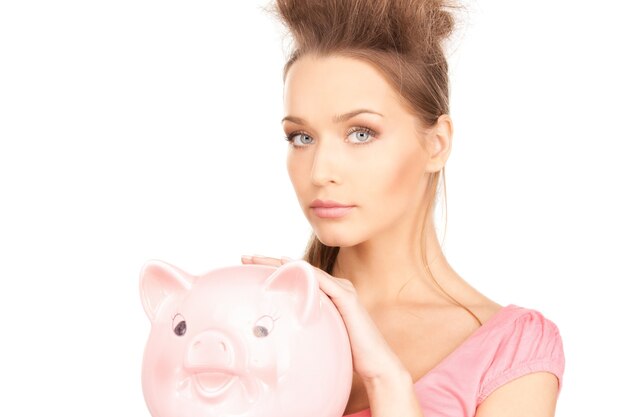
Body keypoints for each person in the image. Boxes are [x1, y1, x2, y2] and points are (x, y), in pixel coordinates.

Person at [241, 0, 565, 416]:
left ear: (437, 143)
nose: (320, 171)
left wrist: (385, 379)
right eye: (301, 137)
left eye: (361, 133)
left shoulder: (511, 351)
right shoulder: (256, 317)